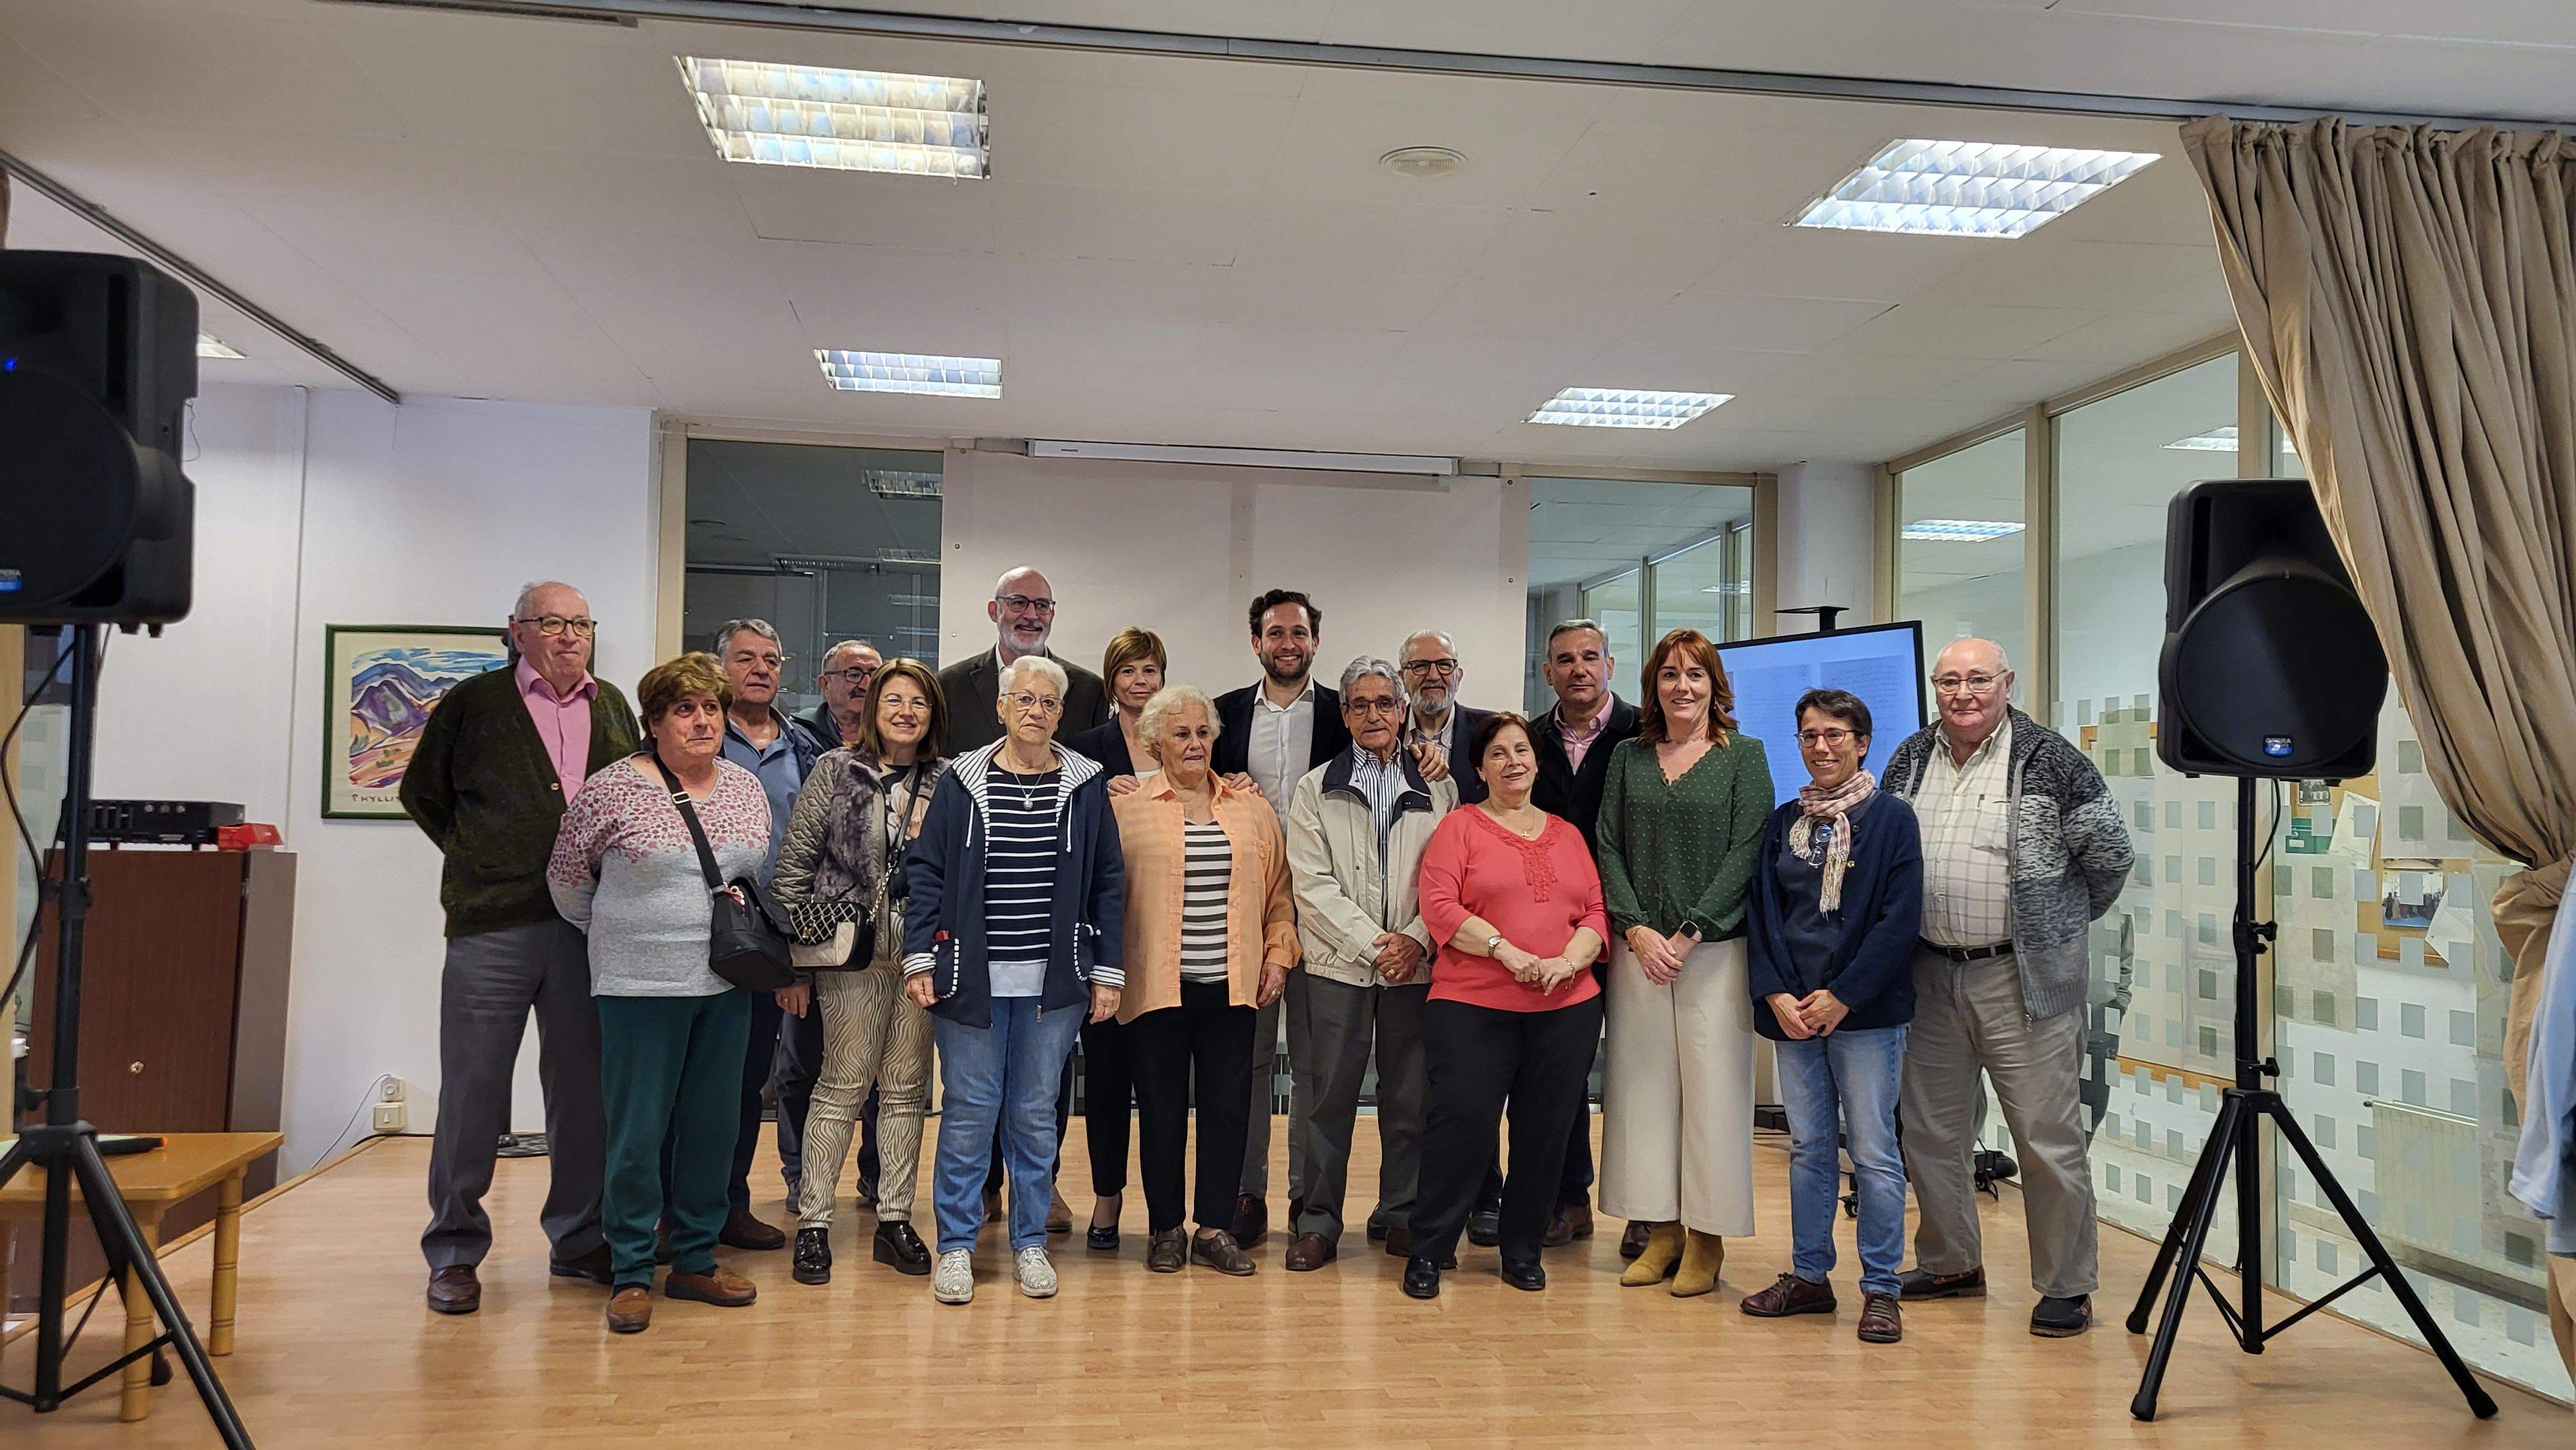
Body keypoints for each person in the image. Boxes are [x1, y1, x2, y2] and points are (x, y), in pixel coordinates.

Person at [1882, 638, 2132, 1338]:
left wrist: (2053, 925)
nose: (1963, 692)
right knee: (1932, 1133)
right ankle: (1950, 1262)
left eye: (1978, 679)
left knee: (2045, 1137)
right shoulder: (1909, 755)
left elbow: (2110, 856)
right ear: (1935, 687)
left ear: (2007, 682)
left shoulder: (2052, 759)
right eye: (1949, 680)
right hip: (1928, 972)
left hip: (2020, 978)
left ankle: (2065, 1284)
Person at [404, 580, 634, 1316]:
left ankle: (577, 1238)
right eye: (551, 622)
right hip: (492, 926)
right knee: (474, 1091)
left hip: (584, 927)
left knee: (582, 1092)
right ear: (517, 630)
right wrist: (482, 856)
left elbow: (632, 794)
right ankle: (454, 1249)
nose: (568, 635)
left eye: (579, 623)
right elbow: (423, 793)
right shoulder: (474, 704)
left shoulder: (613, 704)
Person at [546, 652, 766, 1333]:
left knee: (713, 1125)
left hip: (725, 983)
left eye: (711, 708)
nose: (702, 721)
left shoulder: (743, 787)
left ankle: (697, 1257)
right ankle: (634, 1267)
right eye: (684, 709)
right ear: (653, 721)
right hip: (639, 986)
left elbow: (758, 870)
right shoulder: (613, 789)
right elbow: (567, 882)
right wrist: (628, 935)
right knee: (638, 1132)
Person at [905, 655, 1126, 1305]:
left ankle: (1030, 1240)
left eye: (1049, 701)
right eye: (1023, 698)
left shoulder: (1086, 784)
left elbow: (1108, 881)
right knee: (970, 1112)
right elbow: (926, 871)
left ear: (1062, 713)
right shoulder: (961, 781)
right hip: (966, 981)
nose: (1036, 710)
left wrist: (1106, 972)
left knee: (1033, 1114)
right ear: (1001, 707)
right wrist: (919, 957)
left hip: (1053, 987)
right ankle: (955, 1246)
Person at [1401, 713, 1609, 1299]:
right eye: (1498, 753)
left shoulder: (1567, 834)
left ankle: (1522, 1250)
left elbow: (1595, 912)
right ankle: (1431, 1249)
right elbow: (1439, 906)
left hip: (1566, 1006)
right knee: (1462, 1127)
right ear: (1479, 768)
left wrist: (1569, 962)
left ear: (1537, 762)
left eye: (1522, 750)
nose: (1513, 761)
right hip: (1473, 1003)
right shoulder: (1459, 828)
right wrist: (1507, 952)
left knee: (1545, 1134)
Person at [1738, 689, 1922, 1345]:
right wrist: (1776, 993)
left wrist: (1843, 992)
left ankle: (1881, 1289)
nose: (1822, 745)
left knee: (1871, 1151)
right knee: (1809, 1147)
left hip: (1864, 1011)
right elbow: (1762, 913)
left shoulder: (1892, 819)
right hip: (1793, 1012)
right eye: (1810, 735)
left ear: (1862, 741)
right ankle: (1810, 1275)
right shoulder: (1785, 819)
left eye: (1836, 734)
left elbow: (1898, 920)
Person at [1597, 628, 1774, 1299]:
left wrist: (1691, 931)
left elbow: (1746, 849)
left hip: (1714, 952)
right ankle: (1661, 1228)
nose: (1682, 686)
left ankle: (1707, 1238)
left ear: (1714, 685)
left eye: (1695, 674)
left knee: (1713, 1096)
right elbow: (1607, 843)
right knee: (1643, 1091)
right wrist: (1638, 928)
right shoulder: (1626, 757)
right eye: (1669, 674)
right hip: (1639, 949)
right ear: (1653, 685)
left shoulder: (1744, 757)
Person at [773, 659, 951, 1285]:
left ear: (932, 715)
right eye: (893, 699)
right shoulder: (835, 769)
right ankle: (815, 1222)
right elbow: (794, 868)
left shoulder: (948, 779)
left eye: (918, 703)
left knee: (906, 1089)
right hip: (846, 951)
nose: (905, 711)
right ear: (873, 706)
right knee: (842, 1082)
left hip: (922, 955)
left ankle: (895, 1218)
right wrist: (791, 963)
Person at [1110, 684, 1297, 1274]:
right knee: (1161, 1110)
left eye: (1203, 733)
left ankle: (1214, 1228)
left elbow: (1280, 894)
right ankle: (1166, 1228)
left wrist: (1277, 956)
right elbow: (1103, 895)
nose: (1194, 744)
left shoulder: (1251, 807)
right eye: (1181, 734)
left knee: (1228, 1109)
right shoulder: (1125, 805)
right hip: (1156, 986)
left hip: (1233, 987)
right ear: (1154, 741)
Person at [1281, 657, 1457, 1270]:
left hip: (1416, 969)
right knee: (1328, 1100)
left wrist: (1414, 939)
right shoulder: (1313, 788)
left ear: (1403, 710)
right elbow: (1312, 883)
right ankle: (1320, 1222)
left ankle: (1401, 1214)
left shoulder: (1440, 787)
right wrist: (1376, 946)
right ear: (1346, 714)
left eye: (1385, 703)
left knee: (1409, 1100)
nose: (1374, 714)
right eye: (1360, 705)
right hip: (1338, 968)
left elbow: (1450, 879)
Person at [1209, 588, 1345, 1250]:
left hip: (1324, 909)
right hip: (1249, 907)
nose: (1286, 641)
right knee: (1251, 1057)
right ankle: (1245, 1192)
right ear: (1255, 641)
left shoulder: (1347, 713)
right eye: (1273, 631)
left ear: (1315, 641)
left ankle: (1307, 1199)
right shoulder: (1224, 714)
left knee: (1316, 1063)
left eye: (1298, 631)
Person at [1515, 618, 1644, 1254]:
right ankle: (1570, 1196)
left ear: (1610, 664)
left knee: (1641, 1068)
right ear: (1547, 673)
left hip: (1633, 926)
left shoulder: (1644, 732)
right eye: (1564, 659)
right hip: (1552, 930)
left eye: (1589, 656)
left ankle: (1650, 1204)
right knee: (1558, 1071)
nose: (1578, 669)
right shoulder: (1529, 739)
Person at [702, 619, 824, 1252]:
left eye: (772, 659)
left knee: (749, 1081)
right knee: (691, 1082)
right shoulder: (694, 735)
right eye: (746, 657)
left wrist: (798, 958)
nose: (760, 669)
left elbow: (815, 852)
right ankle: (676, 1210)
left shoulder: (804, 746)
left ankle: (730, 1204)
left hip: (768, 940)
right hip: (696, 937)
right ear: (719, 664)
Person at [1063, 627, 1166, 1247]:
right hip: (1101, 934)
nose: (1139, 681)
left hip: (1167, 934)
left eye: (1150, 669)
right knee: (1103, 1080)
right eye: (1127, 670)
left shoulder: (1182, 742)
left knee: (1159, 1083)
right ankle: (1106, 1200)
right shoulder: (1084, 750)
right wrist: (1102, 794)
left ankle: (1162, 1211)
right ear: (1111, 680)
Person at [936, 565, 1110, 755]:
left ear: (1051, 614)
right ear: (994, 611)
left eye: (1042, 606)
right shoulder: (948, 688)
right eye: (1018, 603)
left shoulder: (1091, 692)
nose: (1031, 615)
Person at [1399, 628, 1493, 805]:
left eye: (1444, 665)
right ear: (1401, 678)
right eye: (1420, 666)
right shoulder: (1384, 734)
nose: (1433, 676)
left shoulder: (1490, 730)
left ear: (1458, 676)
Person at [794, 639, 880, 752]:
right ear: (825, 684)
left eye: (875, 676)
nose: (866, 685)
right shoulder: (798, 734)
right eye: (854, 675)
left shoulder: (895, 734)